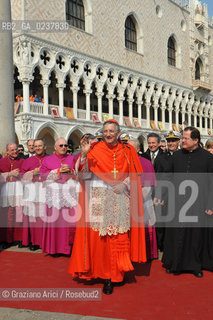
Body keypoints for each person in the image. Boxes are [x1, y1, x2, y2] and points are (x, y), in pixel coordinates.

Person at [68, 119, 147, 295]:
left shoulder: (128, 151)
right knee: (101, 240)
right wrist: (83, 154)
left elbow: (135, 176)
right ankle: (106, 277)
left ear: (118, 133)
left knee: (119, 239)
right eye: (105, 131)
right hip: (99, 198)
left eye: (112, 131)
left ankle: (119, 272)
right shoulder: (94, 150)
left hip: (120, 198)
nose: (108, 134)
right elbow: (82, 175)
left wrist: (125, 185)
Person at [162, 126, 213, 277]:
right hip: (177, 204)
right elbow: (167, 177)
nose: (182, 141)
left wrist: (210, 204)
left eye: (185, 138)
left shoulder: (208, 158)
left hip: (198, 204)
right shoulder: (176, 156)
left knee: (195, 236)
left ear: (196, 140)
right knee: (175, 234)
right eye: (182, 138)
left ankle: (195, 266)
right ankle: (175, 264)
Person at [40, 138, 79, 255]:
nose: (63, 147)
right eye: (61, 145)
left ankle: (68, 248)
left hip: (70, 194)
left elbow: (80, 174)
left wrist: (72, 171)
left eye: (65, 145)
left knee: (69, 222)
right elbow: (42, 176)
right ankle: (55, 248)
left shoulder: (72, 159)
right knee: (56, 221)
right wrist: (57, 171)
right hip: (55, 195)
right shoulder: (47, 160)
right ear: (55, 147)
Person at [128, 138, 158, 260]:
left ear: (138, 149)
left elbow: (148, 188)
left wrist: (134, 200)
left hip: (142, 202)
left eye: (131, 149)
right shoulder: (123, 162)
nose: (129, 151)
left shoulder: (146, 163)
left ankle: (145, 254)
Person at [142, 133, 169, 251]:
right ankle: (148, 246)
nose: (151, 145)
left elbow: (167, 179)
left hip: (159, 194)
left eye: (154, 143)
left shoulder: (166, 158)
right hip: (145, 194)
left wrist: (160, 195)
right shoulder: (143, 156)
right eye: (149, 143)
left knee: (159, 222)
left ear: (159, 143)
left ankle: (160, 246)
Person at [21, 139, 47, 250]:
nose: (38, 148)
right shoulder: (28, 161)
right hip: (32, 191)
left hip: (46, 190)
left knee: (45, 217)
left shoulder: (49, 159)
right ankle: (34, 242)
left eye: (40, 146)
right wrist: (32, 173)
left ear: (44, 147)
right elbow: (21, 176)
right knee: (33, 218)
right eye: (36, 146)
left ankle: (45, 241)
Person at [0, 143, 24, 248]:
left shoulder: (23, 161)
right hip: (6, 189)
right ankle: (6, 239)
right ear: (7, 151)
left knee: (19, 213)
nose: (14, 152)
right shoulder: (2, 161)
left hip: (19, 189)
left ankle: (18, 238)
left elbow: (26, 175)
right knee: (7, 214)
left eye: (16, 150)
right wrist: (9, 174)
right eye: (12, 150)